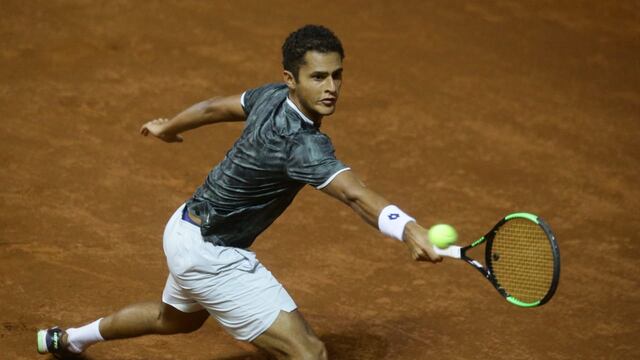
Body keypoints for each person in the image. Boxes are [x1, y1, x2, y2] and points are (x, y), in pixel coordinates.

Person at [37, 24, 441, 360]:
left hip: (184, 228)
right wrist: (408, 228)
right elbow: (355, 194)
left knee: (174, 319)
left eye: (337, 75)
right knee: (309, 354)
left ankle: (70, 339)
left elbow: (215, 108)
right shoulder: (303, 144)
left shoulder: (271, 97)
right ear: (292, 79)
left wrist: (170, 127)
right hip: (213, 251)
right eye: (318, 77)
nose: (331, 86)